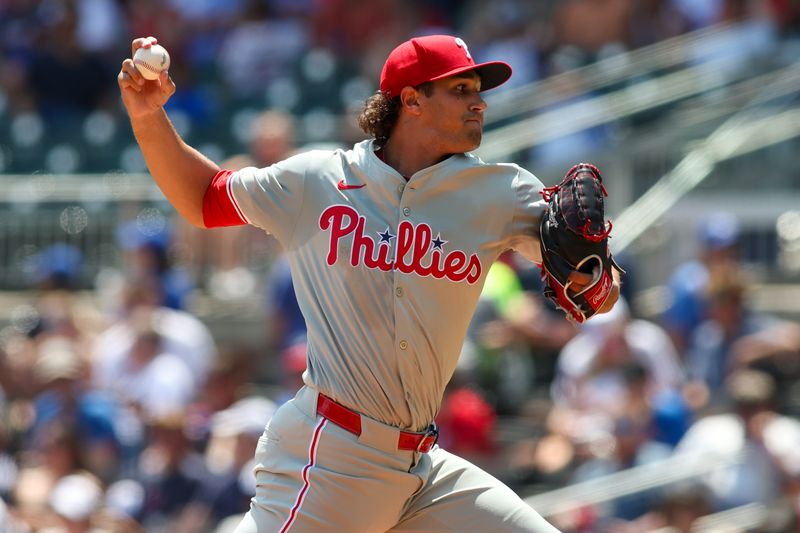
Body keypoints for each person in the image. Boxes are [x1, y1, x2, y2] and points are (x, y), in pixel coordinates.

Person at [118, 33, 621, 532]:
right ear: (411, 100)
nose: (479, 104)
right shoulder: (319, 180)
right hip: (331, 456)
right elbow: (204, 197)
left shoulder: (500, 191)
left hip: (423, 467)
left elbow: (599, 289)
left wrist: (595, 274)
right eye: (460, 90)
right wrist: (147, 117)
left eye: (478, 91)